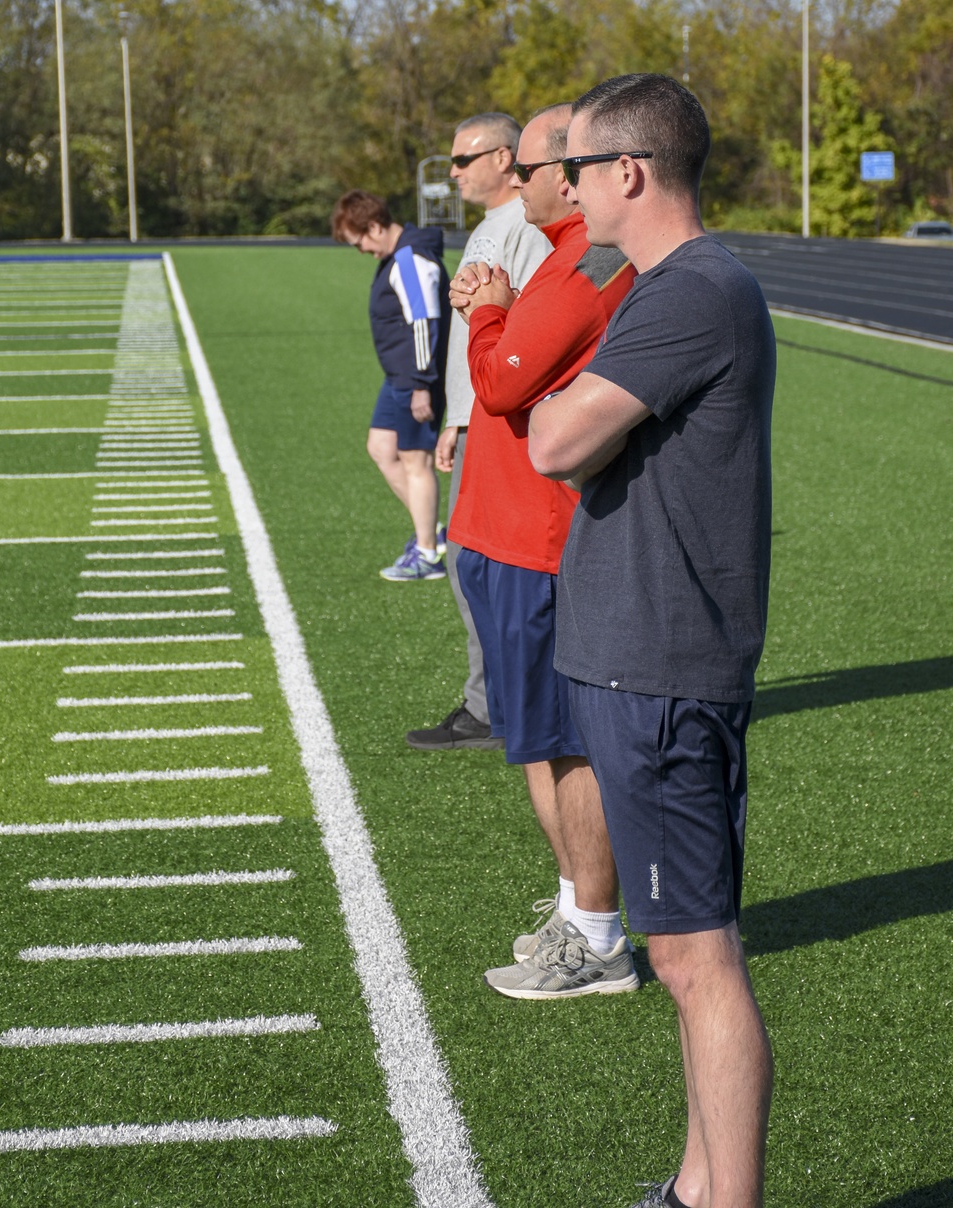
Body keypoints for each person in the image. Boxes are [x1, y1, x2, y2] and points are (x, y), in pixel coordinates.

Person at [527, 75, 776, 1208]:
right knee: (682, 954)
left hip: (665, 663)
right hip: (637, 655)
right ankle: (691, 1187)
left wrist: (552, 411)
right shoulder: (663, 285)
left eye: (575, 167)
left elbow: (552, 439)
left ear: (627, 172)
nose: (566, 189)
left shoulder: (691, 292)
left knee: (692, 956)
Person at [446, 104, 640, 997]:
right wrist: (497, 309)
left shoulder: (585, 266)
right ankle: (577, 911)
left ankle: (598, 934)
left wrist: (489, 316)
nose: (514, 185)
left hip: (534, 538)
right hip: (502, 532)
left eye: (524, 170)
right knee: (534, 741)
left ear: (568, 175)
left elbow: (502, 380)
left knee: (561, 745)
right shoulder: (561, 263)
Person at [406, 113, 550, 750]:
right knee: (476, 566)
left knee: (487, 567)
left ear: (504, 157)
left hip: (501, 418)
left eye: (464, 159)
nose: (454, 171)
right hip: (477, 415)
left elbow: (519, 326)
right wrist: (454, 417)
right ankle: (497, 703)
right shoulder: (496, 226)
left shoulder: (522, 224)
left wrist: (473, 416)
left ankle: (498, 708)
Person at [331, 189, 451, 581]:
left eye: (360, 241)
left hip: (416, 379)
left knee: (416, 461)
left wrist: (421, 384)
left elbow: (424, 324)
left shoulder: (409, 260)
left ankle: (428, 554)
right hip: (399, 377)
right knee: (381, 448)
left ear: (376, 226)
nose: (361, 250)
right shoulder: (396, 256)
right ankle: (428, 529)